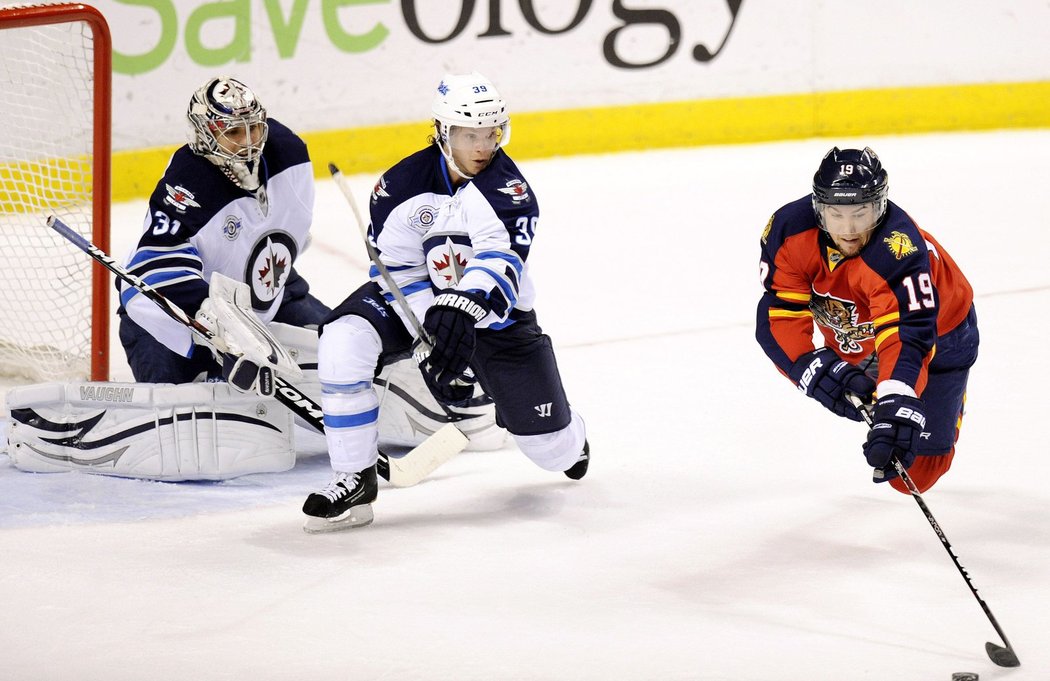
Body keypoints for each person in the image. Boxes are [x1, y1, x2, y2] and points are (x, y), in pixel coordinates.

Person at [301, 71, 589, 533]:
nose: (481, 147)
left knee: (551, 453)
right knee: (342, 339)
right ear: (441, 132)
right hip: (419, 304)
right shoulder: (399, 187)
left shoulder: (508, 190)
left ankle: (569, 437)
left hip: (498, 320)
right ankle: (353, 478)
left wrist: (458, 310)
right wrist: (431, 331)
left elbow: (501, 262)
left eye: (490, 134)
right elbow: (398, 272)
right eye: (467, 134)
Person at [756, 147, 978, 494]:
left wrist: (898, 394)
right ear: (819, 208)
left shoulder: (898, 248)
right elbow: (779, 311)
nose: (848, 230)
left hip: (941, 331)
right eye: (836, 214)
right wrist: (808, 367)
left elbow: (907, 334)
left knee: (913, 476)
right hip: (858, 331)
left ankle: (940, 398)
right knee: (842, 382)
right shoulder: (788, 230)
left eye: (861, 214)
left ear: (880, 206)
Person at [118, 75, 330, 385]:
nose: (249, 141)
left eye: (254, 128)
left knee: (342, 348)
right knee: (180, 414)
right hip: (173, 318)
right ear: (204, 135)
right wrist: (216, 315)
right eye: (233, 132)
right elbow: (155, 268)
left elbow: (284, 234)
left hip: (262, 296)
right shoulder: (189, 181)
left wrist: (248, 316)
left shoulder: (288, 153)